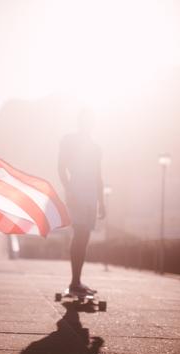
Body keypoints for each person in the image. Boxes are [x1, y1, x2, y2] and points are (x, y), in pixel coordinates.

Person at [58, 109, 105, 296]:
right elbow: (61, 168)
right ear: (79, 122)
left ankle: (77, 281)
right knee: (80, 233)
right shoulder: (69, 140)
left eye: (90, 121)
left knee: (84, 237)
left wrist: (101, 201)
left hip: (91, 195)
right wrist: (69, 191)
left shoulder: (95, 148)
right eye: (85, 121)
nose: (88, 124)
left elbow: (98, 175)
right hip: (77, 190)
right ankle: (74, 282)